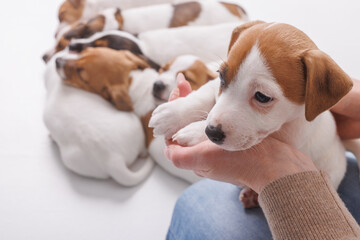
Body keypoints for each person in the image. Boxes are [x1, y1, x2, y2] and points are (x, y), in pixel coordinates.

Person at [164, 74, 360, 240]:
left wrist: (269, 174)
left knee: (193, 206)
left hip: (325, 175)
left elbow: (281, 144)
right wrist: (190, 106)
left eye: (262, 96)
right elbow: (221, 85)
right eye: (224, 77)